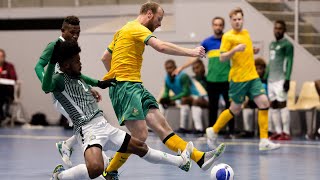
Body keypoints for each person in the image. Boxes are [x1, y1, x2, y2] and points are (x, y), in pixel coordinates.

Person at [100, 1, 225, 178]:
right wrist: (192, 52)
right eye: (159, 19)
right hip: (126, 87)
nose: (159, 24)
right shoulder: (136, 28)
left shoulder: (122, 30)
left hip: (134, 84)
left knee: (161, 125)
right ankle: (110, 171)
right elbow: (161, 46)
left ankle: (199, 158)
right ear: (149, 14)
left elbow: (105, 57)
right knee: (140, 135)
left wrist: (113, 75)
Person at [44, 40, 194, 180]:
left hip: (104, 125)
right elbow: (46, 87)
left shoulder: (76, 76)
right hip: (87, 130)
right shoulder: (58, 80)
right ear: (66, 65)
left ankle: (181, 162)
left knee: (140, 147)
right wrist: (51, 61)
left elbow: (87, 80)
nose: (80, 63)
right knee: (96, 169)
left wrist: (101, 84)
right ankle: (60, 176)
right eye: (77, 61)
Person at [205, 7, 280, 151]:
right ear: (231, 21)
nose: (237, 22)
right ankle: (213, 130)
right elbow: (222, 57)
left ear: (243, 20)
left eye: (240, 19)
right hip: (238, 79)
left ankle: (264, 140)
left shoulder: (246, 33)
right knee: (235, 108)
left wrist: (252, 51)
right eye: (234, 20)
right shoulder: (227, 37)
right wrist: (234, 50)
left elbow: (245, 51)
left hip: (252, 76)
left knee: (264, 103)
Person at [34, 15, 104, 167]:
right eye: (72, 32)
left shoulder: (72, 47)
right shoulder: (54, 45)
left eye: (78, 32)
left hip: (73, 93)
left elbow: (75, 75)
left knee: (87, 125)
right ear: (62, 30)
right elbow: (38, 66)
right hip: (61, 95)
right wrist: (47, 82)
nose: (75, 35)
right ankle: (102, 161)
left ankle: (67, 145)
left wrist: (88, 88)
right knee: (86, 125)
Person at [173, 17, 235, 137]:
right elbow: (195, 56)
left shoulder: (228, 40)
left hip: (227, 80)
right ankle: (212, 131)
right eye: (216, 25)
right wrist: (181, 68)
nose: (218, 27)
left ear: (223, 26)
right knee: (213, 107)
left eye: (220, 25)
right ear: (213, 26)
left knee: (229, 107)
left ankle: (230, 131)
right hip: (212, 80)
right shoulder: (207, 42)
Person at [266, 20, 294, 141]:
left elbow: (289, 62)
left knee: (282, 105)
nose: (277, 30)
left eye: (280, 28)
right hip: (270, 80)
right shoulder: (271, 44)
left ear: (284, 30)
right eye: (275, 28)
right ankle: (278, 131)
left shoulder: (288, 45)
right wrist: (265, 76)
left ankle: (286, 132)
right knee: (273, 106)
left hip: (280, 80)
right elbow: (270, 62)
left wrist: (287, 79)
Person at [159, 59, 204, 134]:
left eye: (170, 68)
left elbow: (186, 92)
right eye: (167, 68)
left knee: (184, 100)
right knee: (160, 104)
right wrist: (165, 99)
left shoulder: (183, 76)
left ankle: (186, 127)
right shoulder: (167, 78)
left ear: (175, 67)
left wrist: (171, 99)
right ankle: (160, 127)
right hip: (180, 98)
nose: (169, 70)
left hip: (194, 96)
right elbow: (166, 92)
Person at [239, 57, 268, 138]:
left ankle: (263, 130)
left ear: (264, 69)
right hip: (252, 101)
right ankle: (248, 130)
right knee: (246, 109)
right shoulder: (251, 81)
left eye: (260, 69)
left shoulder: (266, 81)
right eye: (256, 69)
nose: (258, 71)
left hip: (263, 103)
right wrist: (245, 101)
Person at [0, 48, 17, 121]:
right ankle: (2, 115)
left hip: (7, 92)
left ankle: (2, 115)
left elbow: (13, 78)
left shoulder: (9, 66)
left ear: (4, 57)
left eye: (1, 56)